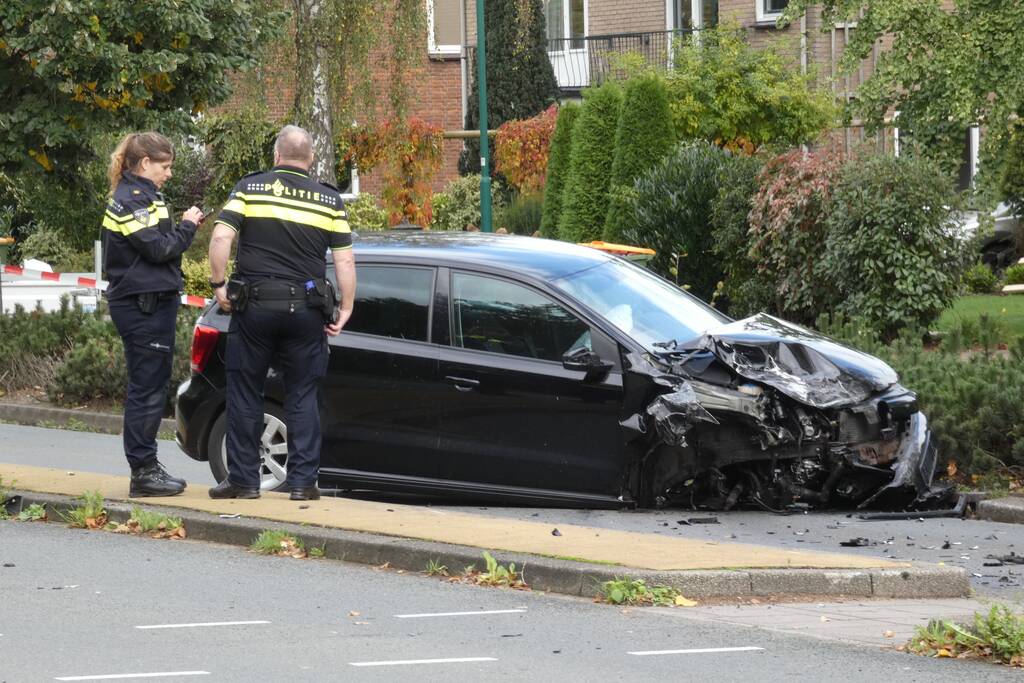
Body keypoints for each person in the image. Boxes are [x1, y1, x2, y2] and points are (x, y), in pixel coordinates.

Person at [207, 125, 356, 501]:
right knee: (303, 394)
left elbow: (222, 237)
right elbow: (345, 260)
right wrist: (347, 307)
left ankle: (243, 481)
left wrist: (218, 285)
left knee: (244, 392)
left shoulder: (250, 188)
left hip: (254, 308)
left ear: (276, 156)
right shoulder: (329, 200)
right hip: (305, 311)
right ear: (311, 160)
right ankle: (304, 483)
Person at [101, 132, 203, 497]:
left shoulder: (145, 196)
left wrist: (181, 233)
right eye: (166, 166)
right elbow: (161, 249)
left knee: (151, 388)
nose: (170, 174)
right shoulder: (131, 201)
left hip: (151, 303)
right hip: (143, 307)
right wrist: (189, 225)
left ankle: (146, 466)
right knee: (146, 390)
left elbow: (161, 250)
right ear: (145, 163)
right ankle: (143, 472)